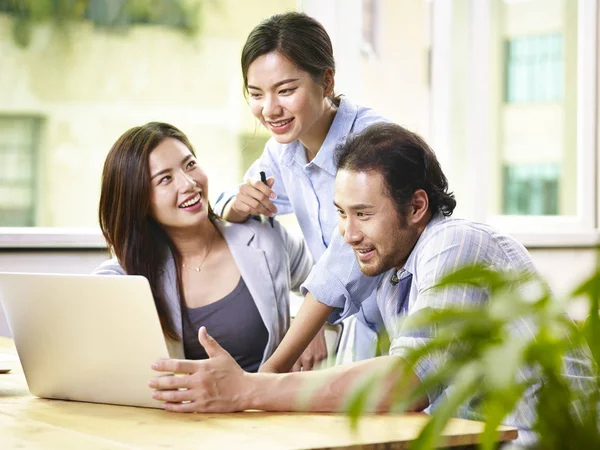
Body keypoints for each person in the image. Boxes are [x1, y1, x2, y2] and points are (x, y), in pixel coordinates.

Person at [149, 123, 593, 446]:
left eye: (363, 214)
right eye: (341, 214)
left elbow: (405, 383)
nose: (348, 233)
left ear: (417, 205)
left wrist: (247, 388)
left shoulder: (454, 244)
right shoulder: (392, 269)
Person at [215, 11, 388, 371]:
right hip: (364, 332)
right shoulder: (282, 150)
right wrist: (235, 204)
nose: (269, 109)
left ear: (326, 81)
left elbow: (346, 258)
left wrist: (271, 369)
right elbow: (241, 196)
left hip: (409, 314)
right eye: (256, 94)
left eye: (286, 90)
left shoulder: (372, 143)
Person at [94, 122, 313, 372]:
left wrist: (311, 332)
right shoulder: (129, 273)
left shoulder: (263, 236)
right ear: (139, 201)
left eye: (190, 165)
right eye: (165, 179)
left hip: (265, 405)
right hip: (181, 409)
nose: (188, 184)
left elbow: (324, 285)